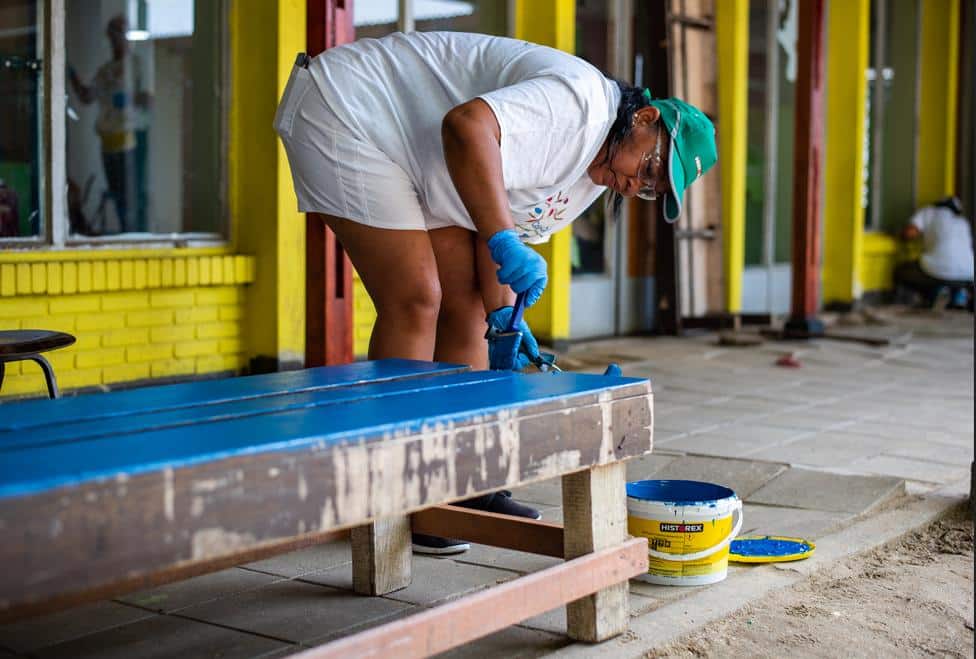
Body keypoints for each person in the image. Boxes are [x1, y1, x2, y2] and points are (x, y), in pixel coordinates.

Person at [274, 31, 717, 554]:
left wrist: (506, 320)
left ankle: (459, 491)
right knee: (416, 297)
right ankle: (390, 493)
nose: (634, 184)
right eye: (648, 167)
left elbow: (494, 235)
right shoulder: (579, 106)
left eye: (650, 188)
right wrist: (506, 239)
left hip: (420, 152)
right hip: (352, 109)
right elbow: (467, 127)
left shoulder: (590, 178)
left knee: (468, 310)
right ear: (645, 119)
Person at [68, 14, 152, 234]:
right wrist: (69, 73)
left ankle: (138, 239)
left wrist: (129, 97)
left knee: (132, 196)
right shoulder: (105, 70)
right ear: (109, 37)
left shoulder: (137, 65)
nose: (118, 39)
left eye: (122, 33)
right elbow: (87, 96)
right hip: (108, 140)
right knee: (118, 197)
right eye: (114, 33)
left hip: (130, 140)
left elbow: (149, 99)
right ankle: (127, 237)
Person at [895, 197, 974, 310]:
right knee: (952, 270)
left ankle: (930, 296)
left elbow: (909, 233)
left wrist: (899, 234)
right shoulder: (962, 221)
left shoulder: (928, 212)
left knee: (902, 271)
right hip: (969, 272)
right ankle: (956, 298)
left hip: (936, 270)